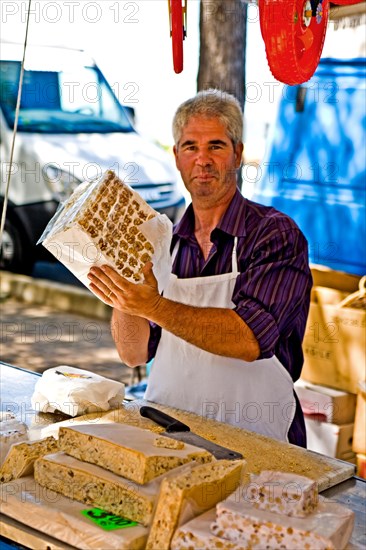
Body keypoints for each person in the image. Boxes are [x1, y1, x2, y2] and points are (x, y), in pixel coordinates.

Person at [88, 89, 312, 447]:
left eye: (216, 146)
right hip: (172, 436)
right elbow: (134, 353)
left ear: (237, 153)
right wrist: (124, 290)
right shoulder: (163, 242)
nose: (202, 160)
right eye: (190, 146)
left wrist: (153, 306)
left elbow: (249, 339)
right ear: (176, 157)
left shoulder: (273, 234)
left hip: (258, 441)